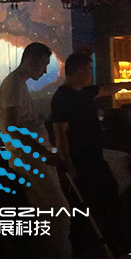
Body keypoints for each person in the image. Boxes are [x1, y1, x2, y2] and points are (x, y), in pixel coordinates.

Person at [0, 42, 72, 259]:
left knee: (48, 210)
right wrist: (43, 152)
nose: (45, 71)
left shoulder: (17, 85)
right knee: (57, 211)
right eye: (44, 65)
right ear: (30, 60)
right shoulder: (13, 86)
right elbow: (12, 128)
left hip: (32, 156)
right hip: (30, 158)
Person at [51, 52, 131, 255]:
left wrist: (125, 85)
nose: (90, 74)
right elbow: (60, 132)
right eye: (88, 70)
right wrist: (67, 162)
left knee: (110, 198)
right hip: (81, 162)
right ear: (78, 71)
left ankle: (114, 244)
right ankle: (85, 249)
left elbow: (104, 89)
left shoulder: (84, 92)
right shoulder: (63, 97)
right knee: (85, 207)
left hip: (96, 159)